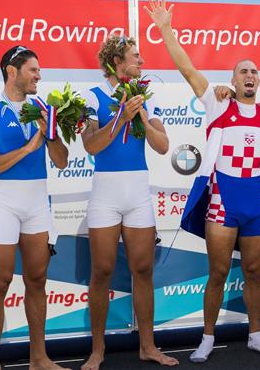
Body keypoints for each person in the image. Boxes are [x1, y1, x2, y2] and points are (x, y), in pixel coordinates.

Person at [144, 0, 260, 362]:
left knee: (254, 272)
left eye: (254, 71)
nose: (250, 76)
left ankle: (256, 334)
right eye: (243, 71)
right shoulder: (218, 103)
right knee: (218, 273)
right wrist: (165, 29)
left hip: (257, 204)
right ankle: (207, 338)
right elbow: (188, 69)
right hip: (223, 202)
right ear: (233, 80)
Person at [80, 35, 178, 369]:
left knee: (143, 270)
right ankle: (97, 350)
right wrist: (121, 117)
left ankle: (148, 346)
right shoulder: (91, 96)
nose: (143, 61)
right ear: (117, 61)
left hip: (137, 192)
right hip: (105, 193)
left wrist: (140, 118)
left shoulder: (145, 96)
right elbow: (91, 146)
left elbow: (163, 145)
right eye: (136, 56)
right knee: (102, 271)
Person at [0, 46, 69, 370]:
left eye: (39, 71)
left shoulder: (41, 109)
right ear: (12, 71)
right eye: (33, 70)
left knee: (37, 279)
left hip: (37, 204)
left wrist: (50, 132)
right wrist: (27, 149)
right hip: (4, 206)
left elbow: (62, 161)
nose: (39, 76)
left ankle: (38, 358)